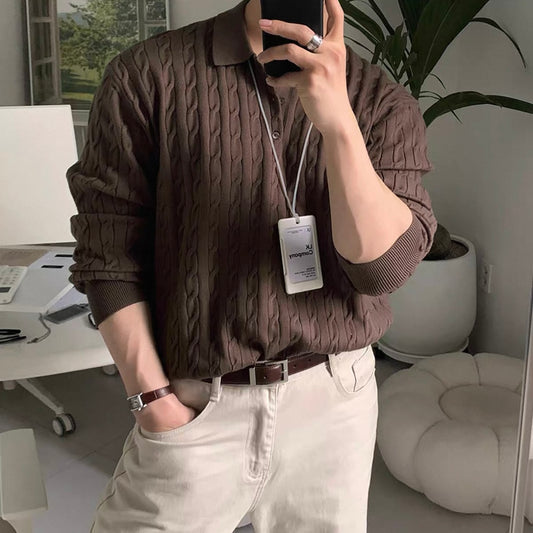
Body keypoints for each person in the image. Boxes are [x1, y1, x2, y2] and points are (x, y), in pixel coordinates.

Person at [66, 0, 437, 531]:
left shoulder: (381, 102)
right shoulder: (147, 76)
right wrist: (153, 401)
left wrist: (338, 122)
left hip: (335, 406)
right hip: (196, 409)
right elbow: (108, 253)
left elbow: (382, 271)